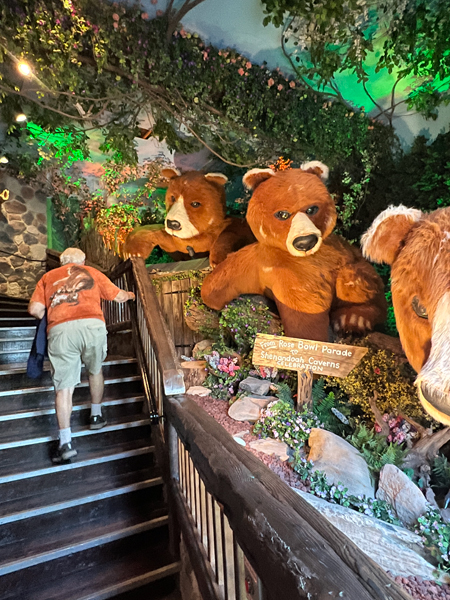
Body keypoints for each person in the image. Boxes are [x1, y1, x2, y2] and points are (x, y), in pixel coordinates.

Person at [28, 248, 135, 463]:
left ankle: (65, 443)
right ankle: (96, 415)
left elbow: (35, 310)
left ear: (61, 263)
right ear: (83, 261)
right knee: (95, 371)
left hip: (61, 331)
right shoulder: (91, 272)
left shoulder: (47, 277)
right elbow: (119, 296)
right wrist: (133, 294)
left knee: (64, 388)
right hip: (92, 326)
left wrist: (51, 312)